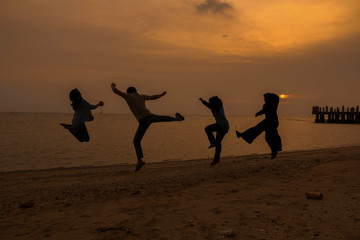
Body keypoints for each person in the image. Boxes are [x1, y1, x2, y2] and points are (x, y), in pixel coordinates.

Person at [111, 83, 184, 172]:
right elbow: (152, 97)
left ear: (129, 92)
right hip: (149, 117)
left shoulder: (128, 96)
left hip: (143, 121)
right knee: (163, 118)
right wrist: (161, 95)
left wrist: (112, 84)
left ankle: (139, 160)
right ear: (136, 91)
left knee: (136, 141)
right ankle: (178, 119)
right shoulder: (141, 96)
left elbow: (115, 90)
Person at [236, 93, 282, 159]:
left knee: (265, 134)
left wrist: (258, 113)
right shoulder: (270, 104)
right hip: (270, 122)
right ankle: (274, 151)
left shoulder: (270, 105)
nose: (264, 99)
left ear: (268, 99)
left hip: (270, 122)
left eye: (265, 98)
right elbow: (265, 110)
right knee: (267, 135)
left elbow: (264, 110)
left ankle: (274, 151)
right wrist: (259, 112)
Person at [199, 96, 229, 166]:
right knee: (218, 143)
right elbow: (210, 106)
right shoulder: (217, 107)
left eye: (210, 102)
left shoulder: (217, 107)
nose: (210, 103)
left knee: (207, 129)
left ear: (213, 102)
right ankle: (216, 159)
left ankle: (212, 142)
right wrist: (203, 101)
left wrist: (203, 102)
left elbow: (211, 106)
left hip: (222, 125)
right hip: (224, 126)